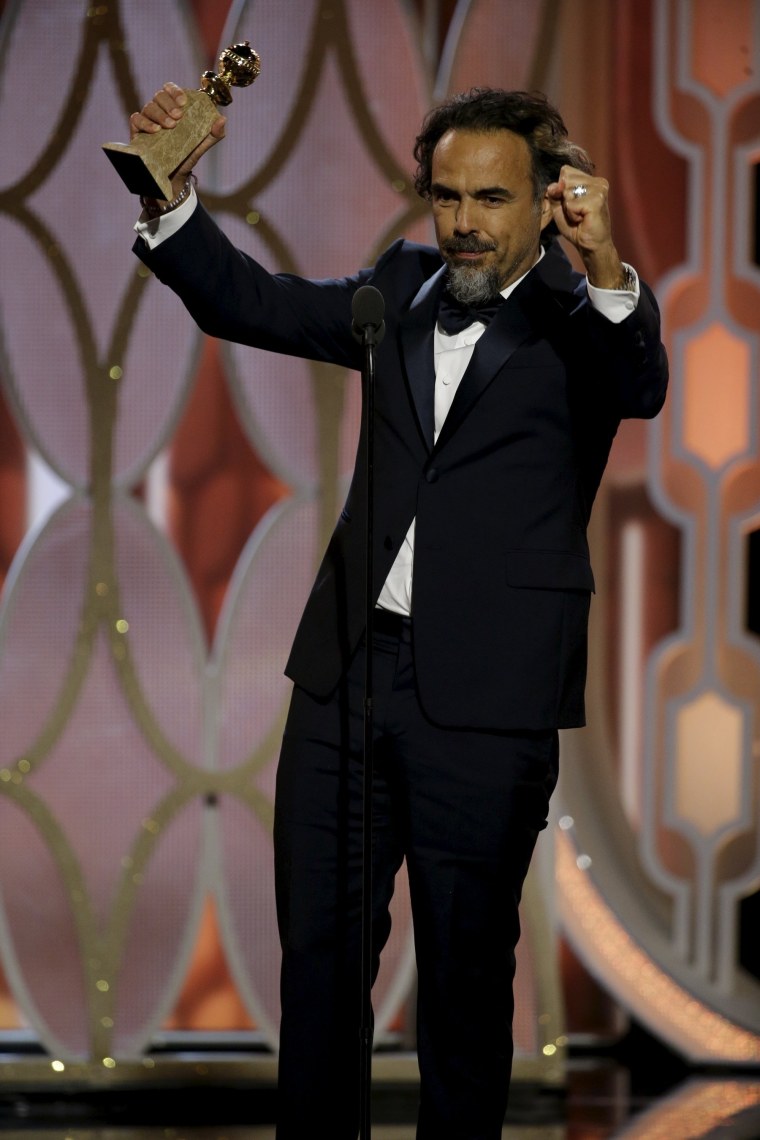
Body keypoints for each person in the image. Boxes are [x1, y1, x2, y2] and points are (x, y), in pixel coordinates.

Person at [129, 83, 668, 1139]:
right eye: (445, 195)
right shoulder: (402, 289)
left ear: (547, 201)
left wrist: (603, 262)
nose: (463, 219)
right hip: (347, 677)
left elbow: (641, 381)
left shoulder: (579, 321)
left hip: (486, 699)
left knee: (465, 983)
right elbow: (255, 302)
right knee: (321, 966)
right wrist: (174, 197)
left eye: (490, 198)